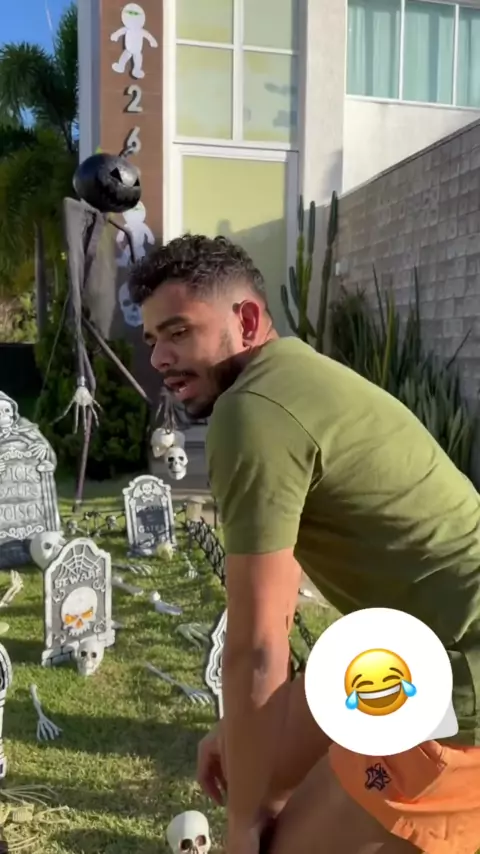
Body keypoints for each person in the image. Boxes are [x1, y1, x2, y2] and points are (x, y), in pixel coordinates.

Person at [129, 234, 480, 854]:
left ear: (246, 320)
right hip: (412, 641)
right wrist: (240, 732)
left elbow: (258, 647)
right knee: (254, 767)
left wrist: (241, 827)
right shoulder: (292, 374)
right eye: (153, 338)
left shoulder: (253, 411)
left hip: (460, 671)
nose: (159, 356)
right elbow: (276, 611)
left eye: (179, 331)